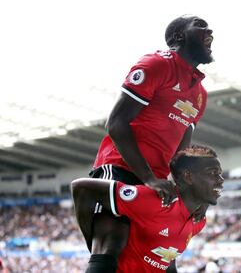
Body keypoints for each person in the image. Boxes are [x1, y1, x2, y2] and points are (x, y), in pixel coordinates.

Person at [86, 14, 214, 271]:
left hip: (157, 178)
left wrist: (188, 194)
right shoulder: (157, 64)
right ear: (178, 36)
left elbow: (183, 152)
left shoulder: (199, 94)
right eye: (199, 26)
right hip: (119, 166)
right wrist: (148, 178)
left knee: (164, 256)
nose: (209, 30)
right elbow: (116, 123)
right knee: (112, 240)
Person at [72, 145, 224, 272]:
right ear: (188, 177)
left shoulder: (198, 221)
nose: (221, 180)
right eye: (213, 173)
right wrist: (90, 241)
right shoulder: (154, 201)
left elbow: (166, 260)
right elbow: (81, 187)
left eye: (220, 174)